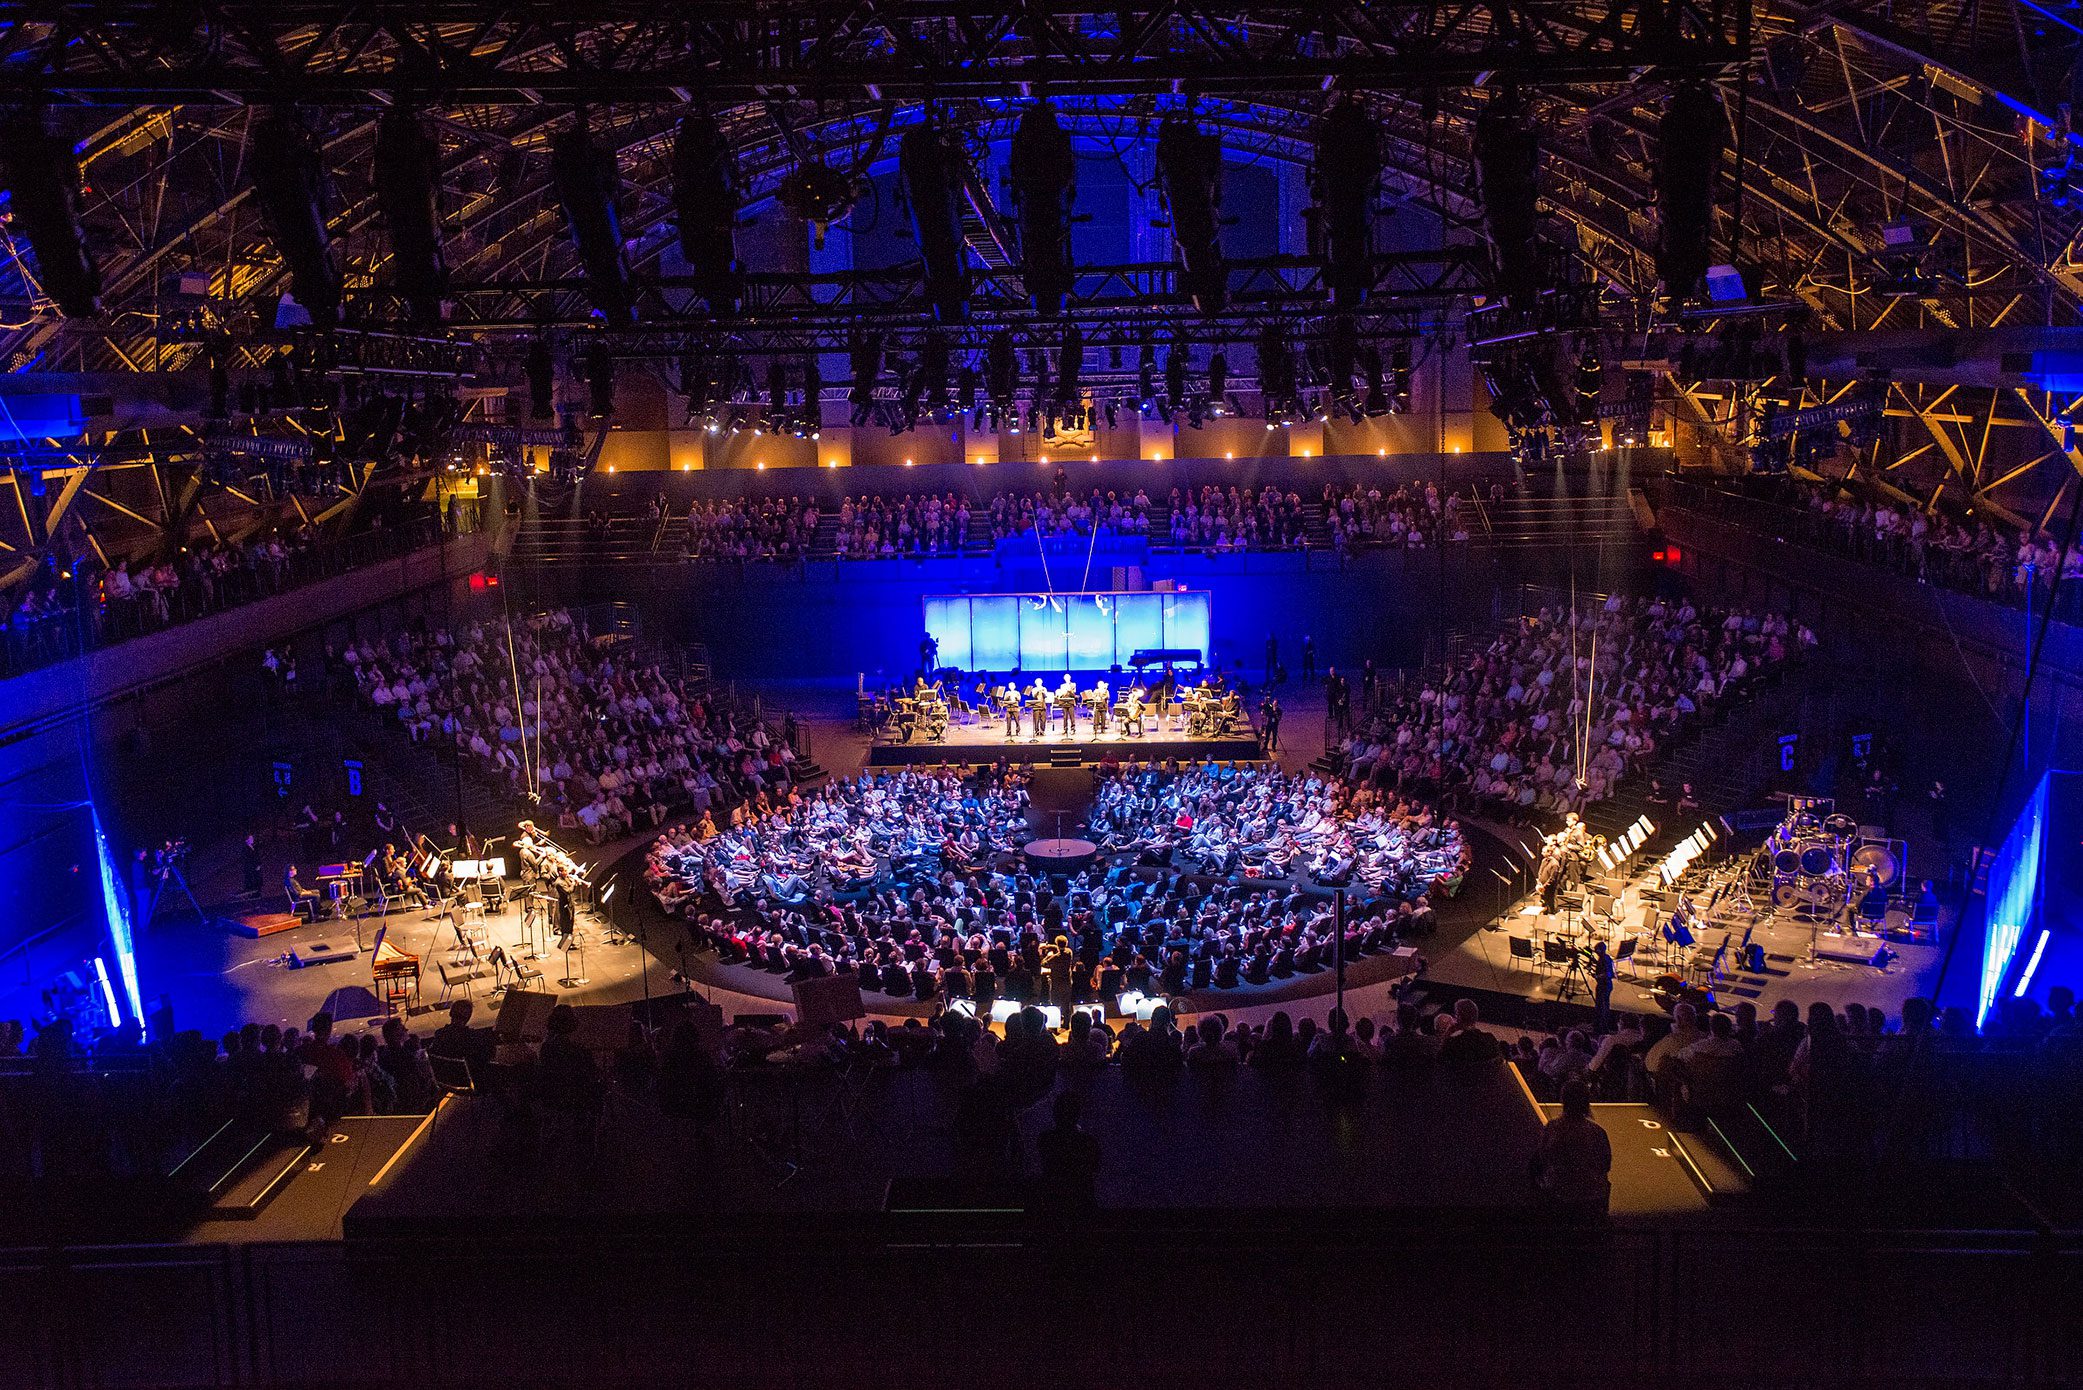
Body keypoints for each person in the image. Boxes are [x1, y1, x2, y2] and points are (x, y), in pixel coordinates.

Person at [1532, 1078, 1612, 1221]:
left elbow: (1541, 1160)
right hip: (1590, 1195)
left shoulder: (1552, 1128)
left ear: (1563, 1100)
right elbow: (1605, 1165)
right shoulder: (1597, 1132)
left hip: (1558, 1193)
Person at [1034, 1090, 1101, 1210]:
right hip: (1082, 1200)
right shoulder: (1088, 1141)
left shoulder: (1046, 1138)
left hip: (1053, 1200)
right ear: (1077, 1113)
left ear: (1056, 1113)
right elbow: (1095, 1167)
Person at [1591, 939, 1615, 1034]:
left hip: (1604, 985)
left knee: (1602, 1006)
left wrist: (1596, 976)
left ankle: (1602, 1028)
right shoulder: (1606, 957)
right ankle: (1601, 1026)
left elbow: (1608, 974)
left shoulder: (1603, 960)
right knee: (1603, 1005)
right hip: (1606, 985)